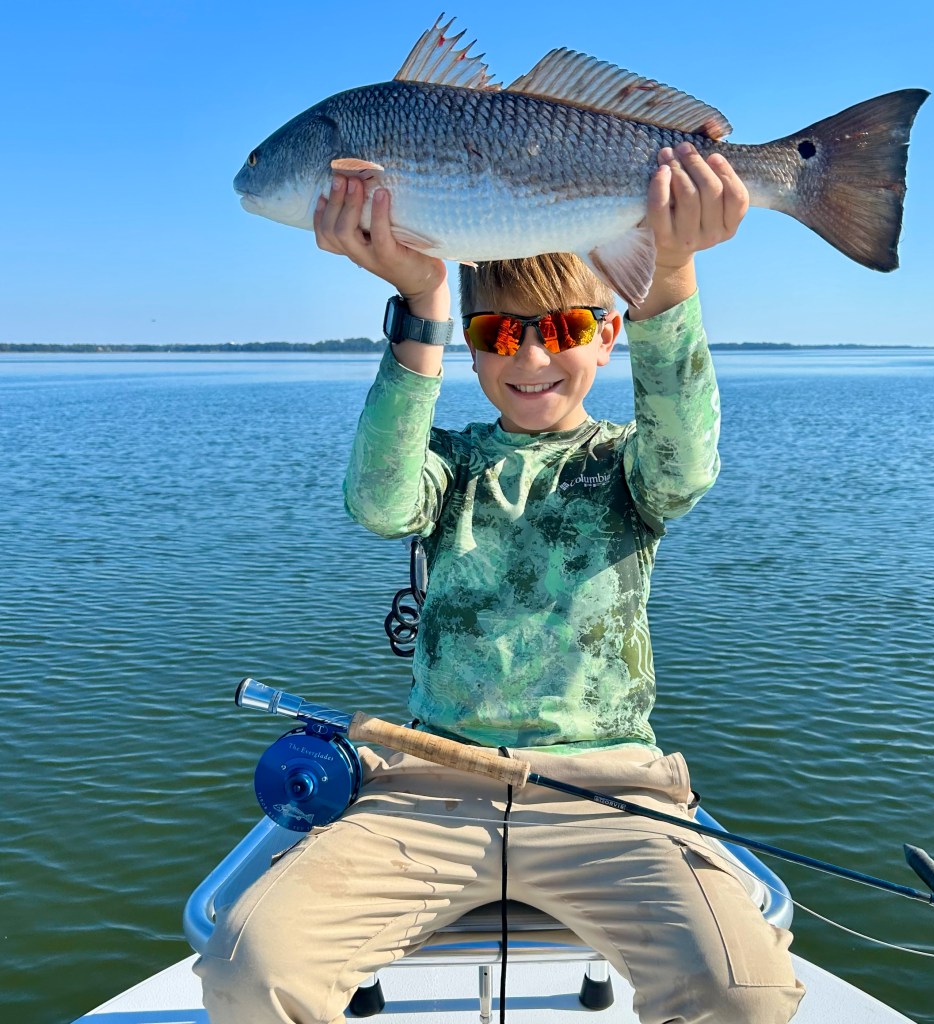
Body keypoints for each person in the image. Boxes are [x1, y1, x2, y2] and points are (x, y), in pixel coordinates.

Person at [196, 144, 805, 1023]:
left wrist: (671, 270)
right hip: (428, 789)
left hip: (610, 793)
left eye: (561, 328)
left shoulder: (627, 469)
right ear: (474, 349)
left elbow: (688, 461)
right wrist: (424, 298)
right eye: (496, 333)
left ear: (606, 334)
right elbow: (379, 500)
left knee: (743, 993)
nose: (529, 356)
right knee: (248, 968)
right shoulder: (451, 463)